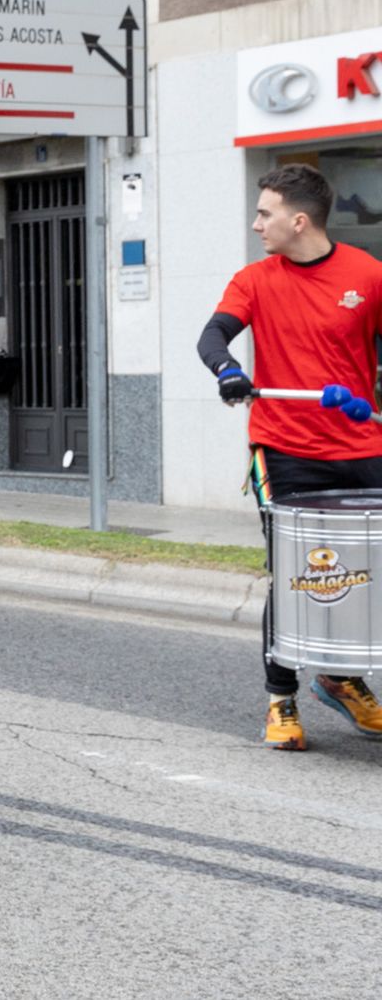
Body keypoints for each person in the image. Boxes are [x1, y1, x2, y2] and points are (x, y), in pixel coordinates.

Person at [196, 163, 382, 750]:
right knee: (300, 572)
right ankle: (282, 698)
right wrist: (228, 371)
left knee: (366, 577)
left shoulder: (368, 276)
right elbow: (213, 337)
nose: (256, 224)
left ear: (299, 220)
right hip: (286, 448)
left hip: (363, 445)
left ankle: (342, 677)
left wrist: (370, 399)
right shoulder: (254, 280)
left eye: (265, 213)